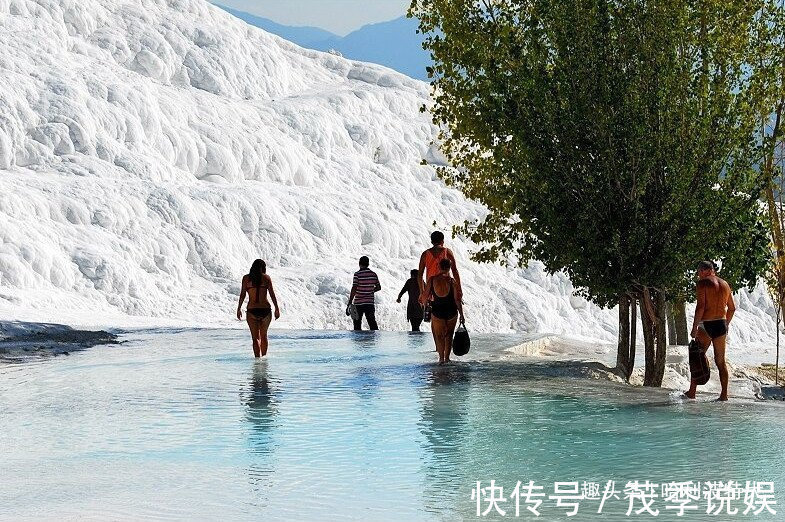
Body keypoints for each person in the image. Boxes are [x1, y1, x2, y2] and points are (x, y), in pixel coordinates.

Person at [686, 260, 736, 401]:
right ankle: (724, 394)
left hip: (706, 325)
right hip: (721, 324)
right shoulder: (725, 284)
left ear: (703, 271)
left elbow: (701, 307)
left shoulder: (703, 283)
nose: (698, 276)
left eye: (698, 273)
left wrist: (694, 327)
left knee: (697, 356)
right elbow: (732, 308)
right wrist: (726, 324)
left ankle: (692, 392)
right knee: (721, 361)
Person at [237, 259, 281, 357]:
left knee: (255, 338)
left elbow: (242, 295)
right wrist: (277, 309)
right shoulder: (266, 278)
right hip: (265, 310)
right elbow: (272, 294)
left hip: (252, 310)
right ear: (263, 268)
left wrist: (239, 308)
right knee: (264, 336)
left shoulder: (246, 279)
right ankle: (264, 359)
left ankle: (257, 360)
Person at [424, 258, 464, 364]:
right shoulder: (452, 281)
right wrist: (462, 314)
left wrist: (425, 305)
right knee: (449, 335)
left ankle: (441, 359)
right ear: (449, 268)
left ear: (439, 267)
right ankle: (447, 358)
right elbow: (457, 300)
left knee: (439, 336)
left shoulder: (432, 280)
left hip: (437, 311)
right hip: (451, 311)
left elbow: (425, 296)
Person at [419, 231, 462, 307]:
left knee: (432, 314)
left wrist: (422, 292)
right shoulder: (447, 252)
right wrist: (459, 289)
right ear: (442, 241)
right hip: (447, 286)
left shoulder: (425, 254)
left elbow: (420, 275)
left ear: (432, 241)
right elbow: (455, 271)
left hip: (432, 289)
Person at [348, 256, 381, 330]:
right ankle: (374, 341)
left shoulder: (357, 274)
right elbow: (379, 287)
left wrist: (350, 301)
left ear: (359, 263)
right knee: (372, 323)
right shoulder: (373, 274)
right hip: (369, 303)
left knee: (356, 324)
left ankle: (358, 341)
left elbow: (354, 288)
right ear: (368, 264)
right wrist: (370, 291)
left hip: (358, 303)